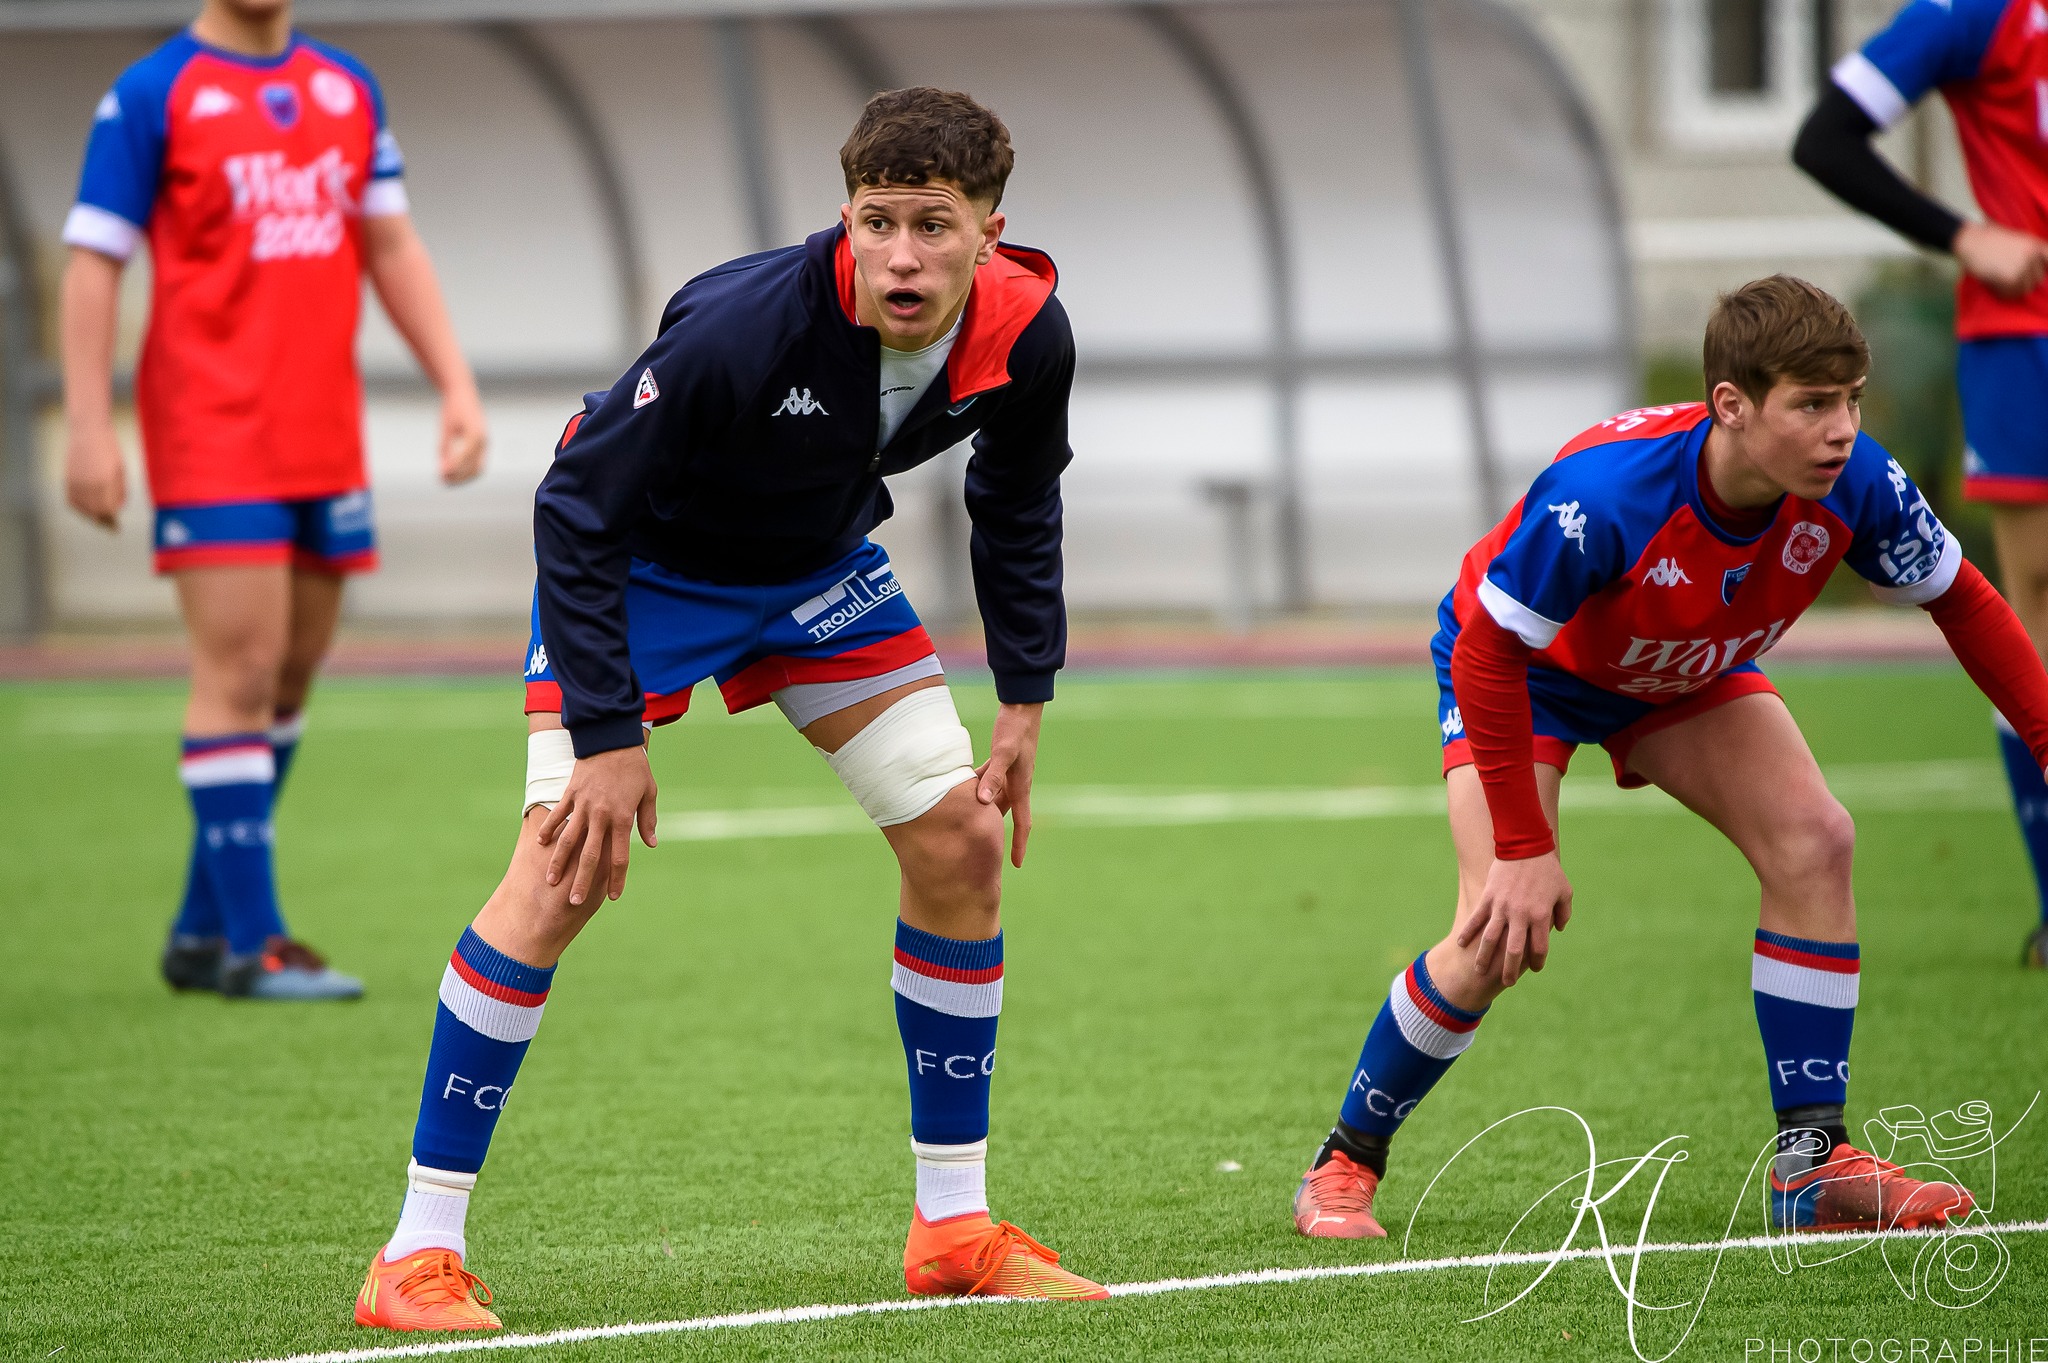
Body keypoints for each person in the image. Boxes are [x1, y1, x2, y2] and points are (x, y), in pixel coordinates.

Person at [351, 87, 1105, 1332]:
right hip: (639, 572)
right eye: (877, 223)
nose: (902, 255)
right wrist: (607, 738)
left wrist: (1024, 696)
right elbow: (576, 508)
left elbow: (1016, 502)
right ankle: (414, 1256)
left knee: (961, 842)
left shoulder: (1030, 332)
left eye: (933, 225)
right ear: (843, 219)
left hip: (813, 573)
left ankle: (953, 1228)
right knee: (560, 876)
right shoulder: (744, 327)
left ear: (989, 227)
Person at [1291, 277, 2047, 1241]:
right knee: (1494, 933)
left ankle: (1811, 1168)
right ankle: (1346, 1159)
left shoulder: (1855, 483)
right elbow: (1489, 647)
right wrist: (1523, 848)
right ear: (1731, 405)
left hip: (1683, 668)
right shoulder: (1608, 495)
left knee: (1816, 841)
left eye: (1852, 399)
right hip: (1530, 671)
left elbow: (1966, 599)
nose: (1842, 428)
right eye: (1813, 404)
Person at [60, 0, 486, 999]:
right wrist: (88, 426)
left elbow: (390, 246)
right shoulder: (152, 93)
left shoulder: (347, 88)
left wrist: (456, 383)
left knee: (288, 678)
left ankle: (200, 930)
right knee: (242, 666)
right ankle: (253, 945)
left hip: (321, 432)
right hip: (212, 432)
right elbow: (93, 263)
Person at [1793, 0, 2048, 968]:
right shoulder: (1977, 13)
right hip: (2024, 342)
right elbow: (1823, 137)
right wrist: (1963, 234)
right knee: (2030, 613)